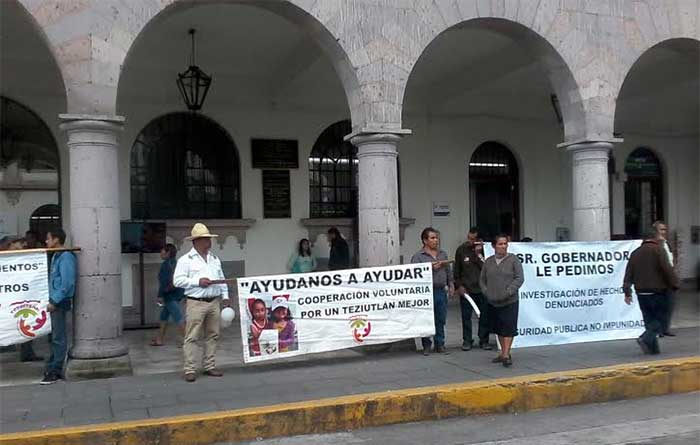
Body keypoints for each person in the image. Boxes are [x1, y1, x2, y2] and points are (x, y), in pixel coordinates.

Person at [173, 223, 230, 382]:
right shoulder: (186, 260)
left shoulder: (214, 259)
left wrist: (225, 296)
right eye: (205, 239)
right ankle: (190, 368)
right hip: (196, 302)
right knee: (192, 336)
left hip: (213, 301)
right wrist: (197, 282)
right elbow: (177, 281)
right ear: (196, 241)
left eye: (209, 239)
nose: (208, 242)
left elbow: (221, 278)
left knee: (213, 335)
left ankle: (209, 365)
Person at [623, 230, 679, 355]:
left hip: (641, 292)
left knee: (649, 320)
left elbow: (628, 274)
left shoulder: (635, 253)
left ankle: (653, 350)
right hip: (658, 291)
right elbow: (667, 269)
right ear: (654, 238)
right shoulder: (658, 250)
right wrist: (675, 284)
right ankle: (645, 338)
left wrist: (627, 292)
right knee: (661, 321)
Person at [480, 234, 524, 368]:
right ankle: (503, 353)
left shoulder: (513, 260)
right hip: (493, 301)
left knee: (508, 328)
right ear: (494, 246)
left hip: (509, 301)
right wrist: (486, 291)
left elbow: (519, 278)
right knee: (498, 328)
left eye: (505, 244)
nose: (503, 246)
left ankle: (506, 354)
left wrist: (509, 291)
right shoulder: (488, 261)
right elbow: (482, 279)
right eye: (500, 244)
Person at [41, 228, 77, 384]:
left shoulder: (66, 256)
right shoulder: (57, 255)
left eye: (48, 238)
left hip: (59, 302)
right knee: (54, 336)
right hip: (54, 301)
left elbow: (67, 283)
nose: (46, 242)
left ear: (56, 240)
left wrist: (54, 301)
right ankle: (52, 365)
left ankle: (55, 369)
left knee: (58, 337)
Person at [411, 227, 453, 355]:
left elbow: (448, 271)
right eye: (432, 238)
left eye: (436, 238)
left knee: (440, 318)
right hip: (426, 291)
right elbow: (413, 274)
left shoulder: (443, 254)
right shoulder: (418, 257)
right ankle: (426, 345)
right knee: (426, 318)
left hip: (440, 290)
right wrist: (430, 269)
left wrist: (451, 284)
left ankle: (440, 343)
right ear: (425, 240)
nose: (436, 240)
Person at [6, 238, 44, 362]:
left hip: (21, 298)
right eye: (20, 244)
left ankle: (27, 352)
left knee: (25, 325)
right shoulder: (6, 258)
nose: (24, 245)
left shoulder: (22, 257)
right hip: (9, 298)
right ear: (11, 244)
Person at [454, 228, 491, 351]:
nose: (470, 241)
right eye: (469, 238)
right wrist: (459, 286)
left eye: (473, 239)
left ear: (479, 240)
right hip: (467, 289)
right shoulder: (461, 250)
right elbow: (457, 270)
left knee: (485, 315)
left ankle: (484, 340)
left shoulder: (486, 251)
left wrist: (478, 254)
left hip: (482, 289)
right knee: (466, 316)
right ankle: (467, 340)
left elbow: (487, 268)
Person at [151, 244, 185, 346]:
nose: (160, 253)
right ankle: (159, 339)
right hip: (178, 293)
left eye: (162, 251)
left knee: (178, 317)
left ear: (167, 253)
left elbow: (164, 282)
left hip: (169, 295)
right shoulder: (177, 263)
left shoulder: (166, 265)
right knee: (164, 317)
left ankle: (188, 340)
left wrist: (160, 295)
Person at [652, 221, 676, 337]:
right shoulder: (656, 244)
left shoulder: (667, 243)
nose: (663, 232)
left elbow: (671, 260)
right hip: (660, 279)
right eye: (661, 230)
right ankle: (658, 330)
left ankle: (665, 328)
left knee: (669, 304)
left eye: (665, 230)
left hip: (669, 277)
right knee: (659, 305)